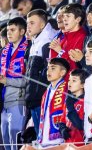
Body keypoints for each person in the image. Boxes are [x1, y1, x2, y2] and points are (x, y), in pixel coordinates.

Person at [26, 9, 59, 136]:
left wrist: (37, 97)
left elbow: (48, 74)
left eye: (32, 23)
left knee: (44, 137)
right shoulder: (36, 40)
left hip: (41, 99)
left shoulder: (47, 42)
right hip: (34, 99)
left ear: (42, 25)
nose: (28, 26)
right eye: (28, 23)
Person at [1, 17, 29, 149]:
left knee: (15, 140)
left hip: (18, 100)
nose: (9, 33)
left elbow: (28, 80)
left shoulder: (27, 49)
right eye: (7, 31)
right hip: (3, 102)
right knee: (5, 142)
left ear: (22, 31)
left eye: (12, 30)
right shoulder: (4, 51)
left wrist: (7, 81)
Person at [37, 58, 70, 147]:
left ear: (62, 72)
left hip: (58, 141)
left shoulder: (67, 88)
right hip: (44, 139)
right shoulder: (47, 90)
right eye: (48, 68)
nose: (48, 71)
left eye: (53, 68)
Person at [49, 3, 87, 70]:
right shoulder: (64, 36)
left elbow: (74, 65)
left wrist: (60, 51)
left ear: (78, 19)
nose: (64, 19)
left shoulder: (82, 37)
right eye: (64, 16)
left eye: (68, 16)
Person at [60, 69, 88, 144]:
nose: (70, 83)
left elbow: (80, 125)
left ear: (83, 85)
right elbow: (62, 120)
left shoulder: (85, 102)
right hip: (68, 144)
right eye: (69, 80)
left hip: (80, 144)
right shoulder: (68, 100)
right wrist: (62, 129)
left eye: (74, 80)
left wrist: (70, 107)